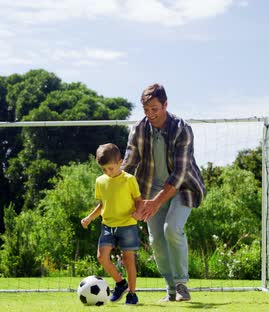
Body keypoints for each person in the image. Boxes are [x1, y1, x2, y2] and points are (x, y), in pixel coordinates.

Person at [122, 83, 206, 302]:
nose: (150, 114)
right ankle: (170, 290)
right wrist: (116, 194)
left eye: (155, 109)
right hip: (150, 190)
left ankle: (181, 284)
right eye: (146, 110)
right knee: (156, 239)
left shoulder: (182, 129)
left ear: (165, 105)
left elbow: (180, 173)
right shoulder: (138, 129)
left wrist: (155, 203)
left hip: (182, 188)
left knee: (172, 228)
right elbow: (128, 166)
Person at [81, 143, 143, 305]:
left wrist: (138, 212)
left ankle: (132, 294)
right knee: (101, 257)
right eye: (104, 169)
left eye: (111, 168)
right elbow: (102, 204)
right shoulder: (100, 181)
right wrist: (89, 218)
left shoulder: (130, 180)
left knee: (128, 260)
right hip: (107, 225)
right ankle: (121, 283)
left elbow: (139, 201)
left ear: (120, 162)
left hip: (128, 225)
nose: (107, 172)